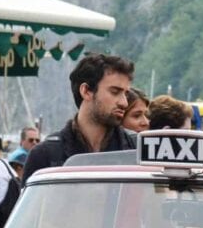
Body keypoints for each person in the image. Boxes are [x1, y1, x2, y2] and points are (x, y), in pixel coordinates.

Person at [23, 53, 137, 182]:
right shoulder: (45, 155)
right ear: (86, 91)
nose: (124, 103)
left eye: (126, 94)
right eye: (115, 92)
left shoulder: (137, 150)